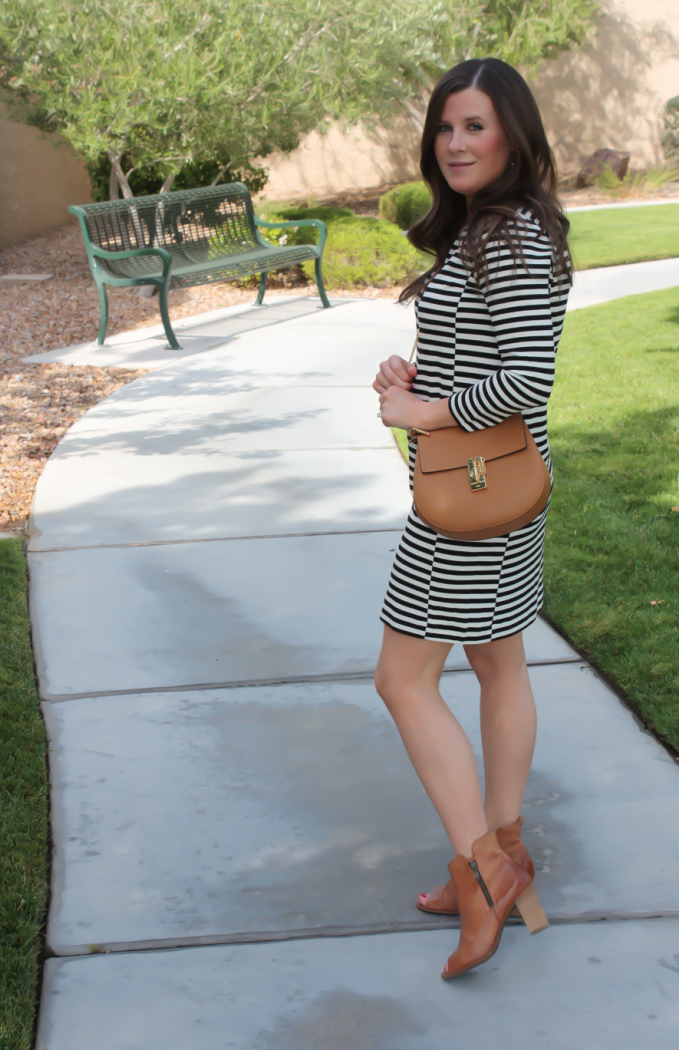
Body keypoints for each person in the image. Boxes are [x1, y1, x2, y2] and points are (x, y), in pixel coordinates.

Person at [372, 57, 572, 979]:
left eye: (474, 127)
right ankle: (502, 850)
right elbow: (487, 358)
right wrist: (413, 382)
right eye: (445, 127)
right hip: (489, 489)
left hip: (472, 501)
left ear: (512, 135)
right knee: (497, 663)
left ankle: (486, 873)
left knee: (402, 679)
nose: (454, 143)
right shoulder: (487, 232)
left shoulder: (514, 238)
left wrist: (425, 415)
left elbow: (527, 379)